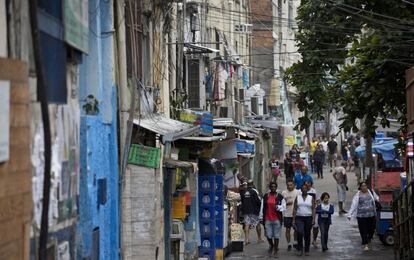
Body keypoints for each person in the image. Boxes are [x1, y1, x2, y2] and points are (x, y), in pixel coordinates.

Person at [347, 182, 379, 251]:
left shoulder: (371, 192)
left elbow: (376, 198)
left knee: (372, 229)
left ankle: (369, 238)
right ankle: (365, 244)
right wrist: (350, 214)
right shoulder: (357, 195)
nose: (364, 187)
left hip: (371, 215)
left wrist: (379, 200)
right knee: (363, 230)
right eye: (362, 186)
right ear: (360, 187)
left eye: (365, 185)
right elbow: (354, 205)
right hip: (361, 216)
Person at [260, 182, 286, 257]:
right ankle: (272, 245)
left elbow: (284, 207)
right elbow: (262, 207)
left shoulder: (280, 196)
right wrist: (261, 217)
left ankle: (275, 250)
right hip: (267, 218)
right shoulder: (266, 196)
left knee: (276, 236)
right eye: (272, 187)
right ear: (270, 188)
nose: (273, 188)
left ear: (276, 187)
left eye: (274, 187)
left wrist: (278, 207)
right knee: (268, 235)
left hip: (277, 219)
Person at [292, 183, 316, 256]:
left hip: (308, 217)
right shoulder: (298, 197)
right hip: (299, 217)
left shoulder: (311, 197)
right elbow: (295, 209)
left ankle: (307, 249)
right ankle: (300, 248)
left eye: (306, 188)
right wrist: (293, 219)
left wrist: (313, 219)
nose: (304, 190)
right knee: (300, 232)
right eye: (303, 188)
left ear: (307, 189)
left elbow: (313, 209)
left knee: (307, 234)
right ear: (301, 190)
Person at [281, 180, 301, 251]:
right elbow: (280, 204)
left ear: (294, 185)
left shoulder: (298, 192)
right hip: (287, 214)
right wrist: (286, 204)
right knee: (288, 229)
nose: (289, 186)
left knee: (296, 229)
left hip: (296, 214)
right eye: (288, 185)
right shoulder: (283, 193)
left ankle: (295, 242)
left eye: (291, 185)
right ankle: (289, 243)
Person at [304, 181, 319, 248]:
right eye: (306, 183)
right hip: (305, 212)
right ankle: (306, 241)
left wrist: (315, 203)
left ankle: (314, 240)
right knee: (306, 228)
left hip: (314, 210)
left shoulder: (314, 191)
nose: (308, 184)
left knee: (315, 227)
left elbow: (318, 200)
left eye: (309, 183)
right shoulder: (301, 191)